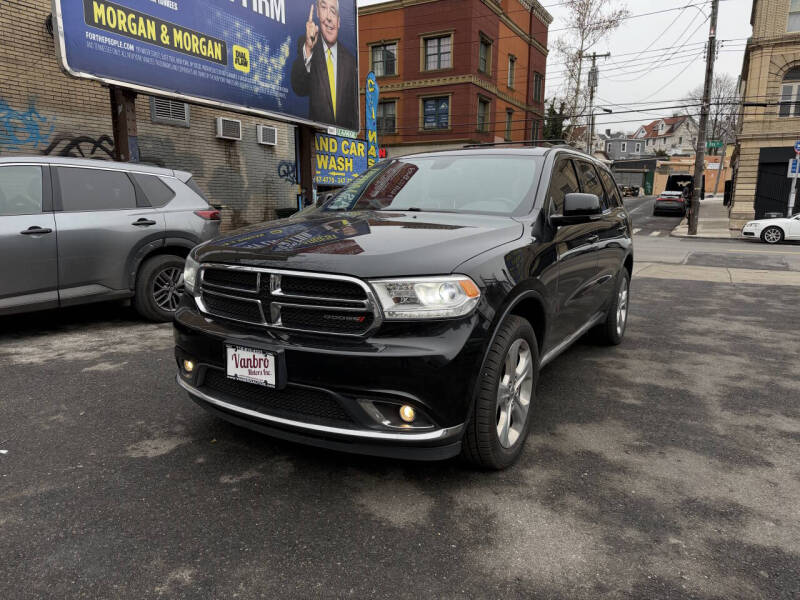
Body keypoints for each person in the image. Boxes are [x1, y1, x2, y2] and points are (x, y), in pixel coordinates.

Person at [291, 0, 358, 131]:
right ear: (317, 13)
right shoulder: (307, 45)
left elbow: (353, 110)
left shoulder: (350, 61)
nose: (328, 17)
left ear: (338, 21)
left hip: (343, 142)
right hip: (314, 138)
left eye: (333, 11)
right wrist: (309, 49)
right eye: (323, 8)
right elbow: (298, 87)